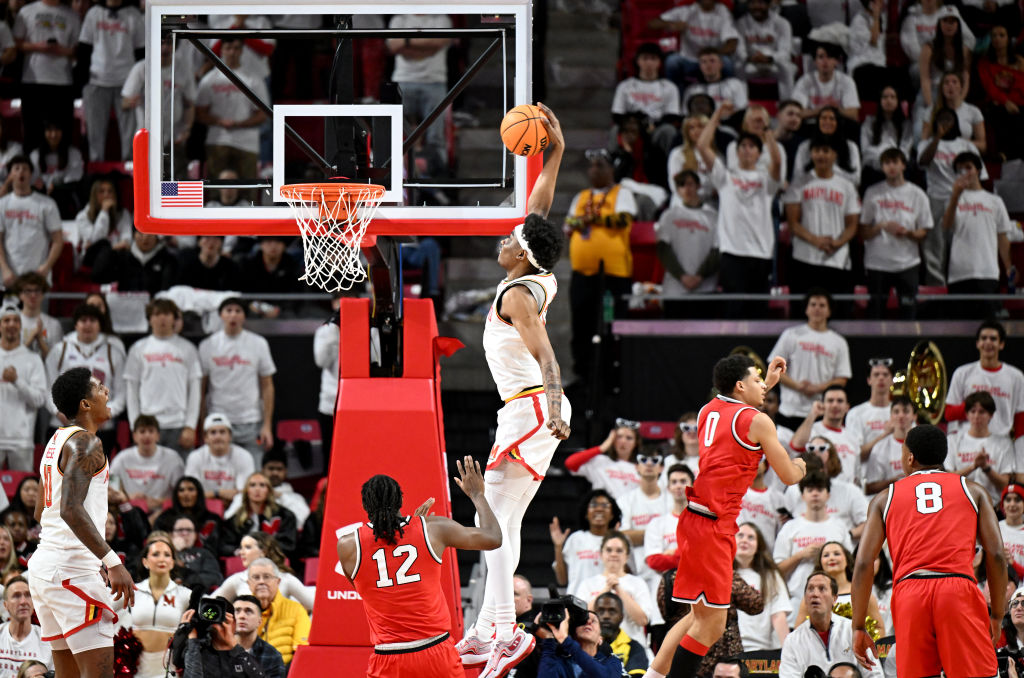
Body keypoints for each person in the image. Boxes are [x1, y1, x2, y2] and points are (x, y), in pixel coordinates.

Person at [458, 102, 571, 678]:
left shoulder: (520, 296)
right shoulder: (536, 266)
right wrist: (554, 144)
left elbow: (548, 357)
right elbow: (542, 199)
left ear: (520, 252)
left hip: (530, 407)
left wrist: (553, 406)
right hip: (528, 409)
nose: (502, 238)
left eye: (510, 236)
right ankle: (488, 627)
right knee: (503, 521)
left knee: (492, 523)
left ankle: (503, 632)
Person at [644, 354, 807, 678]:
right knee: (713, 625)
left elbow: (738, 412)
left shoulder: (708, 411)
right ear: (740, 385)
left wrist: (764, 386)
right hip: (713, 525)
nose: (765, 386)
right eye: (758, 380)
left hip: (694, 518)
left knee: (696, 617)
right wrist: (802, 465)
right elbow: (788, 475)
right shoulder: (758, 421)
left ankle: (653, 676)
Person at [852, 424, 1007, 677]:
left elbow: (862, 563)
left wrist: (858, 626)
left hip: (910, 594)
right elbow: (997, 555)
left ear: (909, 457)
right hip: (958, 590)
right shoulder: (973, 490)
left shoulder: (883, 498)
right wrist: (998, 614)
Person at [337, 457, 502, 678]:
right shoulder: (431, 529)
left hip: (388, 658)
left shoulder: (347, 546)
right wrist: (477, 495)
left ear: (365, 506)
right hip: (435, 653)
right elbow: (492, 538)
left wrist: (410, 534)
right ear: (400, 501)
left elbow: (367, 588)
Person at [27, 367, 135, 678]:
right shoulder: (88, 443)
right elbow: (70, 511)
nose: (107, 393)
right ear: (85, 404)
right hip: (71, 571)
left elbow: (40, 511)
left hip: (46, 568)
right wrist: (112, 562)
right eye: (101, 388)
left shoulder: (56, 440)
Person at [696, 101, 781, 316]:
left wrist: (767, 133)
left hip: (761, 252)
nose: (746, 150)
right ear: (736, 151)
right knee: (734, 309)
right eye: (742, 146)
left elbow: (777, 163)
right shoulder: (725, 177)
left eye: (752, 146)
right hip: (732, 251)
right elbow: (702, 146)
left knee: (758, 311)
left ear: (759, 154)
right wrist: (717, 115)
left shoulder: (766, 181)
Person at [565, 147, 637, 380]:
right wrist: (582, 220)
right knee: (581, 326)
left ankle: (611, 376)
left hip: (614, 276)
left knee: (609, 326)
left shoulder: (621, 193)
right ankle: (583, 374)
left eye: (600, 166)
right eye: (592, 166)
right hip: (583, 275)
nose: (594, 170)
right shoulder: (581, 197)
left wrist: (592, 219)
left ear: (611, 170)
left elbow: (624, 219)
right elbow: (568, 225)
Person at [198, 297, 277, 461]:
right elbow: (201, 389)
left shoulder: (258, 343)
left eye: (238, 311)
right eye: (228, 311)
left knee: (252, 479)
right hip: (218, 421)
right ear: (221, 315)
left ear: (244, 316)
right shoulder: (207, 345)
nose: (233, 315)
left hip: (251, 421)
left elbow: (267, 386)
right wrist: (201, 425)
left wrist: (267, 425)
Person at [916, 107, 987, 286]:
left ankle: (963, 282)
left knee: (962, 241)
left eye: (949, 120)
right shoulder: (927, 143)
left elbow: (981, 175)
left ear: (955, 122)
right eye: (941, 120)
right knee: (934, 246)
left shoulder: (967, 145)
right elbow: (923, 162)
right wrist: (937, 138)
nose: (945, 123)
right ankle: (936, 286)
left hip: (963, 198)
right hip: (936, 198)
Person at [784, 136, 861, 297]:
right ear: (811, 154)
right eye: (817, 151)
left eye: (826, 151)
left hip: (837, 259)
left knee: (838, 317)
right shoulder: (798, 183)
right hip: (804, 258)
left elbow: (852, 225)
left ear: (835, 155)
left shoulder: (847, 186)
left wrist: (837, 242)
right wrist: (815, 240)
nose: (821, 155)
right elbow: (793, 223)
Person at [859, 149, 931, 319]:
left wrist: (907, 233)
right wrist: (882, 226)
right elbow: (864, 232)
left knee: (909, 315)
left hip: (907, 264)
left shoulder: (917, 194)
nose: (890, 167)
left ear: (903, 165)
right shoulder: (872, 192)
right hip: (877, 264)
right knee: (875, 316)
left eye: (894, 162)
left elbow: (925, 231)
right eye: (886, 163)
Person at [941, 152, 1015, 318]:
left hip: (987, 272)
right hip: (959, 273)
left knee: (988, 324)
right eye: (960, 169)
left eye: (968, 167)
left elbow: (1002, 236)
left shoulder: (995, 201)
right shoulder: (952, 199)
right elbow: (946, 226)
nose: (965, 172)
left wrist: (1009, 266)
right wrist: (955, 196)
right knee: (959, 327)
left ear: (979, 170)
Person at [44, 303, 126, 451]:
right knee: (61, 473)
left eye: (92, 320)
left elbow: (121, 394)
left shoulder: (113, 353)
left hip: (101, 429)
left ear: (100, 325)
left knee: (96, 474)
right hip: (62, 426)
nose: (88, 325)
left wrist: (104, 414)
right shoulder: (59, 351)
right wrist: (60, 412)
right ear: (75, 324)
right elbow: (47, 389)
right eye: (83, 320)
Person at [124, 299, 201, 454]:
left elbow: (195, 390)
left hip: (179, 425)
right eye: (157, 314)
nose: (162, 318)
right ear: (149, 319)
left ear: (174, 318)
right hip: (148, 426)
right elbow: (131, 390)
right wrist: (135, 426)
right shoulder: (138, 349)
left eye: (167, 314)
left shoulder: (188, 349)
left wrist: (190, 426)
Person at [773, 472, 854, 619]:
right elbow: (776, 570)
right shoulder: (790, 527)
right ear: (802, 496)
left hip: (837, 604)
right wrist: (800, 555)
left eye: (820, 490)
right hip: (796, 603)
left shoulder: (839, 526)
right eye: (810, 490)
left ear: (828, 494)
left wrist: (828, 554)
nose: (815, 494)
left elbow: (851, 566)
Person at [769, 290, 851, 429]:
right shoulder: (791, 335)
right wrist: (798, 386)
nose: (817, 308)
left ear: (829, 311)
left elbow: (842, 378)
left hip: (821, 413)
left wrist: (818, 388)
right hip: (789, 411)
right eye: (813, 304)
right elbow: (774, 368)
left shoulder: (839, 342)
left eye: (822, 305)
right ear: (806, 309)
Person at [779, 572, 882, 678]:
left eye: (822, 588)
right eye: (810, 589)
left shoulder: (853, 631)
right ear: (805, 599)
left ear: (834, 599)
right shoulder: (792, 641)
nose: (815, 594)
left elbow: (874, 674)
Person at [385, 13, 452, 176]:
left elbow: (439, 42)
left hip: (435, 81)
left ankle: (438, 178)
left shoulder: (441, 19)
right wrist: (426, 44)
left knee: (435, 136)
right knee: (396, 133)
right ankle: (394, 174)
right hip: (403, 80)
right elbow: (393, 46)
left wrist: (407, 41)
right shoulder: (399, 19)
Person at [77, 0, 143, 162]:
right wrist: (83, 82)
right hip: (97, 81)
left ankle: (129, 171)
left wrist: (139, 84)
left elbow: (141, 52)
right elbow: (84, 49)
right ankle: (96, 174)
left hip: (127, 84)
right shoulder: (94, 13)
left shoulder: (133, 15)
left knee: (130, 135)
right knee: (95, 134)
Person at [194, 37, 267, 182]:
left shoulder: (253, 79)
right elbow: (200, 113)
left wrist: (238, 124)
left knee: (249, 190)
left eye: (236, 48)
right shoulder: (209, 80)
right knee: (217, 189)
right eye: (228, 48)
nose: (232, 52)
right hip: (218, 140)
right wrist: (219, 121)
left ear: (241, 51)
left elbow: (263, 114)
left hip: (247, 143)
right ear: (221, 51)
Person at [13, 0, 79, 156]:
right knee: (32, 131)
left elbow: (78, 49)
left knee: (62, 133)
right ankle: (32, 172)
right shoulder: (26, 11)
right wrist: (38, 47)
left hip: (62, 82)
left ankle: (64, 173)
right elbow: (16, 43)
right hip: (33, 80)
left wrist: (62, 50)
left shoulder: (72, 15)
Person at [945, 320, 1024, 450]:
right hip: (967, 443)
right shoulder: (962, 373)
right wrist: (974, 405)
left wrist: (1021, 454)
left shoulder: (1016, 377)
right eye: (983, 338)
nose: (988, 342)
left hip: (1001, 445)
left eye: (993, 339)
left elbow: (1021, 419)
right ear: (977, 343)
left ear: (1001, 344)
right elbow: (948, 413)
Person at [573, 531, 660, 644]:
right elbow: (580, 618)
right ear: (601, 554)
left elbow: (642, 620)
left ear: (627, 556)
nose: (613, 554)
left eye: (619, 550)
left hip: (632, 647)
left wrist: (618, 589)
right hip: (596, 647)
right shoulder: (587, 584)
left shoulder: (638, 583)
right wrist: (606, 589)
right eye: (609, 550)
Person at [655, 170, 719, 314]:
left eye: (690, 184)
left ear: (698, 186)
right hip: (674, 289)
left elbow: (717, 250)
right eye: (682, 185)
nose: (687, 189)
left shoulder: (712, 216)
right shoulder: (669, 216)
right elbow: (663, 249)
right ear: (677, 190)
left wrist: (700, 276)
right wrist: (682, 276)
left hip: (705, 289)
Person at [128, 532, 191, 678]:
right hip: (136, 667)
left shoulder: (184, 594)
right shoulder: (133, 591)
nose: (162, 559)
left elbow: (210, 607)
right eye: (156, 554)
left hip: (169, 668)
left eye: (167, 555)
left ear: (173, 562)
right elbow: (104, 605)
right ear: (145, 562)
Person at [611, 43, 682, 159]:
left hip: (657, 128)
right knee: (615, 129)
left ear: (659, 62)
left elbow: (672, 115)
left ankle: (670, 164)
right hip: (632, 126)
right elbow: (617, 114)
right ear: (638, 61)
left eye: (653, 59)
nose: (649, 63)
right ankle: (613, 161)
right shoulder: (625, 86)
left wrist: (654, 125)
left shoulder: (669, 87)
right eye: (645, 58)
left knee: (669, 131)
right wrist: (633, 122)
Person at [0, 156, 62, 286]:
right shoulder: (2, 204)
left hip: (38, 276)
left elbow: (57, 240)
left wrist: (46, 267)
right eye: (16, 169)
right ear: (11, 174)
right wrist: (4, 269)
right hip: (9, 277)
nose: (21, 172)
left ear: (31, 174)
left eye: (25, 169)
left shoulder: (47, 204)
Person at [795, 542, 884, 630]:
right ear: (820, 563)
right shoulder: (812, 596)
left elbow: (878, 627)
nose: (831, 558)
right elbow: (798, 630)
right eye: (826, 555)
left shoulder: (861, 593)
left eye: (836, 554)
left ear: (847, 560)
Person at [0, 301, 46, 472]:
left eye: (15, 321)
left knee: (25, 492)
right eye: (6, 321)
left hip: (21, 439)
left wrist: (17, 381)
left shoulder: (32, 359)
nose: (11, 325)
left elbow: (39, 400)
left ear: (20, 326)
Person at [108, 414, 185, 515]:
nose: (147, 435)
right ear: (134, 436)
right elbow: (111, 492)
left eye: (151, 431)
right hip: (129, 510)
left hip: (162, 511)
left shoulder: (173, 458)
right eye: (142, 431)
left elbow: (183, 493)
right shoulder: (121, 459)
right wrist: (128, 497)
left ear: (158, 436)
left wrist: (161, 502)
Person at [946, 391, 1013, 504]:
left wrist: (986, 468)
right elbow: (948, 479)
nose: (976, 416)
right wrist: (973, 466)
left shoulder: (1004, 444)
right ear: (967, 414)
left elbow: (1005, 484)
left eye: (982, 412)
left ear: (991, 415)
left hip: (992, 507)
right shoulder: (953, 440)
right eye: (972, 411)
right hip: (960, 504)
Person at [551, 490, 622, 596]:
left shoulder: (620, 541)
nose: (599, 509)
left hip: (608, 603)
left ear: (612, 514)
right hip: (577, 603)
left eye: (604, 505)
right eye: (593, 505)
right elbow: (562, 580)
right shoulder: (575, 539)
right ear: (586, 513)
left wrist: (615, 542)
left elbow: (628, 575)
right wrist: (558, 546)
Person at [734, 523, 790, 651]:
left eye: (751, 537)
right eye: (740, 535)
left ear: (758, 546)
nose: (744, 540)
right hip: (728, 650)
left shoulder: (770, 575)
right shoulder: (721, 574)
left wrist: (788, 653)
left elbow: (778, 615)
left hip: (760, 649)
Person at [790, 386, 863, 484]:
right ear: (823, 405)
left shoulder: (853, 438)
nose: (835, 405)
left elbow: (856, 475)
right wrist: (813, 414)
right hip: (817, 489)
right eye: (830, 401)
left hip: (845, 494)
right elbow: (796, 446)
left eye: (840, 401)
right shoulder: (811, 429)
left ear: (847, 407)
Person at [245, 558, 308, 666]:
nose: (261, 581)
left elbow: (302, 652)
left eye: (267, 577)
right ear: (249, 583)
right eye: (256, 577)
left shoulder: (296, 610)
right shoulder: (240, 611)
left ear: (278, 582)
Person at [224, 447, 309, 526]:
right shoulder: (245, 496)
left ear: (286, 471)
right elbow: (228, 521)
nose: (275, 473)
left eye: (279, 469)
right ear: (263, 469)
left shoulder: (296, 498)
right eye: (271, 468)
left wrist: (281, 496)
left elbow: (304, 521)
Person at [220, 472, 298, 558]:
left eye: (262, 485)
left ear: (269, 490)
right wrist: (240, 551)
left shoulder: (285, 516)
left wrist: (262, 550)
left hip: (274, 562)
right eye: (252, 485)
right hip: (243, 563)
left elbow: (288, 545)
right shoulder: (235, 519)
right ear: (247, 491)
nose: (257, 489)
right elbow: (224, 546)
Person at [177, 603, 264, 677]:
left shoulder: (249, 652)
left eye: (222, 618)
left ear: (234, 624)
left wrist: (233, 645)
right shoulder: (198, 650)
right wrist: (192, 637)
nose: (218, 624)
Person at [977, 24, 1024, 161]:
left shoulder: (1019, 61)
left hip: (1018, 101)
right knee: (1000, 112)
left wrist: (1012, 101)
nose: (997, 38)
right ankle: (1005, 154)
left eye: (1001, 35)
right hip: (997, 102)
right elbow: (989, 86)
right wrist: (1005, 101)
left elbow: (1021, 85)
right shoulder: (984, 62)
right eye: (994, 35)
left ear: (1009, 39)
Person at [183, 413, 255, 503]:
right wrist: (217, 493)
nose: (218, 437)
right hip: (203, 506)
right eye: (213, 432)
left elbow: (244, 493)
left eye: (222, 432)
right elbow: (191, 494)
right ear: (205, 438)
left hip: (234, 506)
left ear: (230, 436)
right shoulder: (195, 457)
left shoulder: (244, 456)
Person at [536, 607, 626, 678]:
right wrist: (548, 640)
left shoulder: (611, 661)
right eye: (583, 621)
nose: (588, 621)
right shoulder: (561, 662)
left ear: (600, 638)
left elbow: (603, 676)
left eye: (594, 621)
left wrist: (567, 642)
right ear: (573, 633)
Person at [644, 464, 692, 591]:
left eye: (683, 481)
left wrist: (673, 554)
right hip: (665, 587)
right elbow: (653, 561)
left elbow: (703, 558)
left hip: (694, 585)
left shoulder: (703, 523)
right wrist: (685, 553)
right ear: (668, 488)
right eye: (674, 482)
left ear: (693, 486)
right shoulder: (657, 524)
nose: (678, 486)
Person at [790, 107, 862, 190]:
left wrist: (829, 170)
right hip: (811, 191)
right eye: (823, 118)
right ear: (817, 122)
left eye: (832, 119)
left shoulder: (851, 147)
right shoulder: (804, 146)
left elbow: (856, 179)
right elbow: (798, 177)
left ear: (838, 122)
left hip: (841, 192)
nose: (827, 122)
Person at [565, 423, 642, 499]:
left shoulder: (643, 467)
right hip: (603, 509)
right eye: (619, 437)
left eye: (629, 438)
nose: (623, 441)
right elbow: (570, 463)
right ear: (612, 439)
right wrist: (602, 448)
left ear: (636, 442)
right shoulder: (599, 461)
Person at [736, 0, 795, 99]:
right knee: (737, 68)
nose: (756, 6)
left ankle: (786, 104)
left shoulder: (782, 23)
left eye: (760, 3)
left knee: (788, 69)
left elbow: (785, 51)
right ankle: (742, 107)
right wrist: (748, 58)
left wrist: (769, 58)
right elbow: (739, 49)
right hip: (751, 64)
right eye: (753, 3)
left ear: (768, 5)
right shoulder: (741, 23)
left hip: (774, 63)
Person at [862, 396, 918, 496]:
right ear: (891, 416)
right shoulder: (880, 447)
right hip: (891, 501)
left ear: (914, 416)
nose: (901, 415)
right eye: (896, 412)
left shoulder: (923, 444)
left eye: (906, 411)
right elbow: (869, 487)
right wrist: (894, 482)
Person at [153, 476, 222, 556]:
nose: (186, 494)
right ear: (176, 494)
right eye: (181, 490)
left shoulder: (212, 520)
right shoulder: (164, 518)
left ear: (199, 493)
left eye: (191, 489)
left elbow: (217, 547)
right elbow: (155, 542)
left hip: (203, 561)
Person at [859, 86, 913, 187]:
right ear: (880, 101)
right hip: (875, 166)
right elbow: (866, 150)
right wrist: (884, 162)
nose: (889, 100)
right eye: (885, 97)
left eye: (892, 97)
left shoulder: (906, 124)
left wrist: (892, 162)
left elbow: (905, 150)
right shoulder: (869, 122)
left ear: (898, 101)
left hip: (898, 166)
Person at [792, 45, 860, 122]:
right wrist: (823, 109)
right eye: (821, 57)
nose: (825, 61)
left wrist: (835, 109)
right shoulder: (804, 81)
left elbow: (853, 114)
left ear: (836, 61)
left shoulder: (847, 81)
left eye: (829, 57)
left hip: (837, 126)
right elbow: (796, 113)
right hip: (812, 126)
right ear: (815, 61)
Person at [922, 71, 986, 153]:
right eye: (946, 83)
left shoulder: (973, 111)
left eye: (954, 82)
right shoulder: (931, 111)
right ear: (941, 88)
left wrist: (961, 143)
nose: (950, 85)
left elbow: (983, 146)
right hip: (939, 155)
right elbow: (923, 142)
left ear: (961, 87)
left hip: (963, 155)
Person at [0, 576, 52, 675]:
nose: (23, 601)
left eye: (28, 595)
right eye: (16, 596)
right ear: (5, 605)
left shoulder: (48, 642)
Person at [595, 591, 649, 676]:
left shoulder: (634, 647)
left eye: (612, 611)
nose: (606, 616)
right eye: (601, 611)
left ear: (621, 616)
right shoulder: (583, 645)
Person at [846, 359, 893, 452]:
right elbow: (855, 454)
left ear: (892, 380)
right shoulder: (856, 413)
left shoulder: (902, 413)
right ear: (869, 380)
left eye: (885, 374)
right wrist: (885, 434)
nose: (881, 378)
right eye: (876, 374)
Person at [233, 594, 284, 678]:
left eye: (248, 611)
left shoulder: (272, 655)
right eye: (237, 611)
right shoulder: (217, 650)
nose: (241, 616)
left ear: (260, 621)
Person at [12, 273, 61, 359]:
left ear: (43, 294)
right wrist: (30, 338)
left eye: (37, 290)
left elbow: (57, 361)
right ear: (20, 294)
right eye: (28, 291)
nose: (33, 295)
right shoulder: (10, 322)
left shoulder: (54, 324)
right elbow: (9, 357)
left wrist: (40, 340)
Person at [683, 47, 748, 111]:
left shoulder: (735, 84)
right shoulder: (692, 90)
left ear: (721, 64)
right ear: (700, 66)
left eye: (712, 61)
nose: (708, 65)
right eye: (704, 62)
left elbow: (742, 110)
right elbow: (686, 114)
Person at [739, 460, 785, 551]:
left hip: (765, 554)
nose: (755, 464)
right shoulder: (736, 491)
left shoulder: (778, 498)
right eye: (751, 461)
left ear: (766, 465)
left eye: (760, 460)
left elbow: (781, 531)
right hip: (737, 550)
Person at [170, 516, 223, 594]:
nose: (184, 533)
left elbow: (215, 578)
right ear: (172, 534)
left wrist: (186, 575)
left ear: (195, 535)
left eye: (189, 530)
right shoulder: (164, 551)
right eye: (180, 530)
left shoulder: (204, 553)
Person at [175, 234, 242, 291]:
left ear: (221, 243)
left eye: (216, 238)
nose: (211, 242)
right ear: (199, 242)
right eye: (207, 237)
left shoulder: (230, 268)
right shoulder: (188, 267)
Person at [1000, 486, 1024, 578]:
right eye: (1008, 500)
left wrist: (1012, 563)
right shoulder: (994, 529)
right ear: (1002, 505)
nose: (1012, 504)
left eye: (1017, 500)